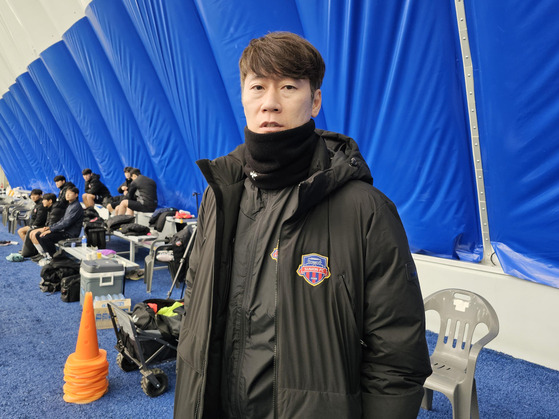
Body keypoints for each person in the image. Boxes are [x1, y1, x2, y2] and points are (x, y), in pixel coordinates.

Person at [173, 32, 431, 419]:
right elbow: (196, 300)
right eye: (257, 87)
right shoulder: (219, 196)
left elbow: (396, 354)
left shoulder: (366, 211)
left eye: (289, 87)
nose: (270, 103)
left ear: (315, 101)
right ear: (242, 97)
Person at [36, 187, 84, 261]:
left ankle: (55, 258)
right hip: (63, 231)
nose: (67, 195)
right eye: (66, 194)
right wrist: (50, 227)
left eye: (70, 193)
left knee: (45, 237)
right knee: (39, 234)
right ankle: (50, 255)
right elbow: (62, 220)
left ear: (76, 195)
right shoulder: (70, 205)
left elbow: (66, 222)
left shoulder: (76, 207)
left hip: (69, 234)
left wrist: (51, 230)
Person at [22, 193, 61, 258]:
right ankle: (40, 253)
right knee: (31, 232)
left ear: (50, 201)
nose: (42, 201)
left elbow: (52, 224)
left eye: (44, 200)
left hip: (54, 230)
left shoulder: (55, 209)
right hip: (49, 227)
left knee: (34, 233)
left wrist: (45, 228)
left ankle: (45, 255)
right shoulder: (49, 208)